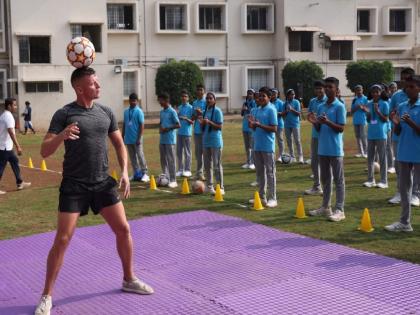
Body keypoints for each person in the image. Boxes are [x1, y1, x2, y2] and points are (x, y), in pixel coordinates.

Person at [34, 67, 153, 315]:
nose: (98, 86)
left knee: (123, 229)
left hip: (102, 182)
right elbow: (44, 151)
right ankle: (46, 296)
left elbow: (119, 144)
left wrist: (123, 173)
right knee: (63, 239)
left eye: (98, 82)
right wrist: (62, 135)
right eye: (93, 83)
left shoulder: (105, 112)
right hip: (74, 185)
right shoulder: (64, 114)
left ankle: (129, 279)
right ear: (79, 88)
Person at [308, 77, 346, 222]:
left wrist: (328, 122)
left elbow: (341, 128)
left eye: (331, 87)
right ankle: (325, 207)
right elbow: (319, 127)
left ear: (336, 90)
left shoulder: (339, 106)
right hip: (322, 148)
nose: (328, 89)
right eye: (326, 87)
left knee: (339, 180)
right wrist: (314, 122)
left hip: (335, 149)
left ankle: (340, 209)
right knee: (325, 180)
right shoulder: (321, 106)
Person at [385, 75, 420, 232]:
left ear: (419, 88)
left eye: (412, 86)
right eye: (406, 86)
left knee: (416, 191)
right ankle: (405, 222)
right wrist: (397, 123)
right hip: (404, 151)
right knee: (404, 189)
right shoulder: (402, 105)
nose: (408, 89)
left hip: (418, 152)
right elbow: (398, 131)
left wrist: (411, 123)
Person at [248, 87, 278, 208]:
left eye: (263, 96)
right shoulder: (256, 110)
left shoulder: (271, 109)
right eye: (259, 96)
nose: (260, 98)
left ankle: (273, 198)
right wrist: (252, 124)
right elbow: (254, 127)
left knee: (270, 173)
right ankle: (261, 197)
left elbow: (274, 128)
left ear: (269, 97)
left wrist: (259, 125)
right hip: (257, 145)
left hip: (267, 146)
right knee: (260, 173)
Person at [0, 98, 31, 194]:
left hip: (6, 147)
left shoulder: (4, 115)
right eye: (14, 105)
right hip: (4, 147)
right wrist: (18, 146)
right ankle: (19, 182)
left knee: (15, 161)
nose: (16, 107)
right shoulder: (8, 116)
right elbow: (11, 132)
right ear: (9, 106)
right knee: (1, 167)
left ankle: (20, 182)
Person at [362, 85, 389, 189]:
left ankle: (384, 181)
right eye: (373, 92)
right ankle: (370, 180)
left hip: (381, 134)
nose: (375, 94)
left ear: (381, 92)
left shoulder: (384, 103)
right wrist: (368, 113)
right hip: (371, 134)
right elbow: (370, 121)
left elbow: (385, 119)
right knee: (370, 158)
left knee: (382, 158)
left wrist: (378, 111)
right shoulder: (368, 103)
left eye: (377, 92)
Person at [305, 80, 327, 195]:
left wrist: (317, 120)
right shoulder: (312, 101)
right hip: (315, 135)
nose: (319, 90)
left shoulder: (328, 101)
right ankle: (317, 186)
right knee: (314, 161)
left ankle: (326, 186)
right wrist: (311, 118)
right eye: (317, 88)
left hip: (325, 136)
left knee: (325, 162)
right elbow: (309, 115)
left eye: (321, 88)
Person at [122, 93, 149, 182]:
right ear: (129, 101)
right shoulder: (126, 112)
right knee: (132, 157)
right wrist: (122, 136)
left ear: (137, 101)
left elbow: (142, 125)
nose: (133, 102)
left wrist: (139, 138)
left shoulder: (139, 111)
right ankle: (136, 173)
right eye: (131, 100)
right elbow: (125, 124)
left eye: (135, 101)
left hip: (137, 138)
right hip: (128, 139)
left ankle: (145, 173)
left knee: (140, 155)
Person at [201, 92, 224, 195]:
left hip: (215, 141)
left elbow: (220, 127)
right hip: (206, 141)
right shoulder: (205, 111)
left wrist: (209, 122)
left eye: (210, 98)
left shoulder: (218, 111)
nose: (208, 100)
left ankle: (220, 187)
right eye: (207, 98)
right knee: (207, 166)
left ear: (214, 100)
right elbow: (203, 128)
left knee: (216, 165)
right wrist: (202, 123)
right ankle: (209, 186)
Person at [158, 92, 180, 188]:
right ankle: (166, 177)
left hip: (170, 140)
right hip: (162, 139)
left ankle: (173, 180)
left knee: (171, 160)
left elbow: (178, 124)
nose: (159, 102)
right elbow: (161, 123)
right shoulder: (162, 112)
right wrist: (160, 128)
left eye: (160, 100)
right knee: (163, 160)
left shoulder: (172, 111)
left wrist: (167, 128)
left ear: (166, 100)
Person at [176, 90, 193, 177]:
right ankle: (180, 169)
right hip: (179, 132)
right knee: (179, 152)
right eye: (182, 96)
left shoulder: (190, 108)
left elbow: (192, 121)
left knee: (187, 152)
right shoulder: (179, 107)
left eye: (185, 96)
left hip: (187, 133)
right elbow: (176, 119)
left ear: (188, 98)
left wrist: (186, 118)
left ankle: (188, 169)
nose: (183, 98)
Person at [284, 89, 303, 163]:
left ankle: (300, 156)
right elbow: (283, 114)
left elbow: (298, 113)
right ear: (287, 95)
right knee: (289, 141)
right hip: (287, 124)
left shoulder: (296, 102)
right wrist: (286, 111)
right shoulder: (285, 103)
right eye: (291, 94)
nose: (292, 96)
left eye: (293, 94)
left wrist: (291, 109)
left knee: (297, 140)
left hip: (295, 124)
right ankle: (292, 156)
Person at [192, 84, 206, 180]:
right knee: (198, 153)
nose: (199, 91)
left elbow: (207, 114)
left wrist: (201, 112)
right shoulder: (194, 103)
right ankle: (199, 172)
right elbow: (193, 117)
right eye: (198, 90)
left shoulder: (206, 101)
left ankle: (205, 172)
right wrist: (195, 115)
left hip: (205, 130)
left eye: (201, 90)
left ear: (204, 91)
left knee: (206, 152)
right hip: (197, 130)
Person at [351, 85, 368, 158]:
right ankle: (360, 152)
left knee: (363, 137)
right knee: (358, 137)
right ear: (355, 91)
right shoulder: (354, 99)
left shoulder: (366, 99)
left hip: (363, 120)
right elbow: (352, 111)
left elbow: (368, 110)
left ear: (362, 90)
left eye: (360, 90)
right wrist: (356, 107)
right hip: (355, 120)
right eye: (357, 90)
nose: (358, 91)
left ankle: (366, 152)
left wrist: (363, 108)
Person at [241, 89, 256, 170]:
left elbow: (253, 113)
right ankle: (248, 161)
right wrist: (243, 109)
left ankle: (253, 162)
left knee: (251, 145)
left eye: (251, 94)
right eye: (248, 94)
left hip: (251, 127)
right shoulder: (245, 103)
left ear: (253, 95)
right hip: (245, 126)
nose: (249, 95)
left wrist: (247, 109)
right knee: (247, 146)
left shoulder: (255, 103)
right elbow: (242, 114)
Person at [271, 88, 285, 162]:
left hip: (279, 124)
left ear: (277, 94)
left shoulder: (280, 102)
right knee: (272, 140)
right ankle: (272, 155)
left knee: (280, 140)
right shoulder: (269, 102)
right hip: (270, 124)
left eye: (275, 93)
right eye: (272, 93)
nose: (273, 95)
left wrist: (276, 113)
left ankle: (281, 155)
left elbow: (283, 113)